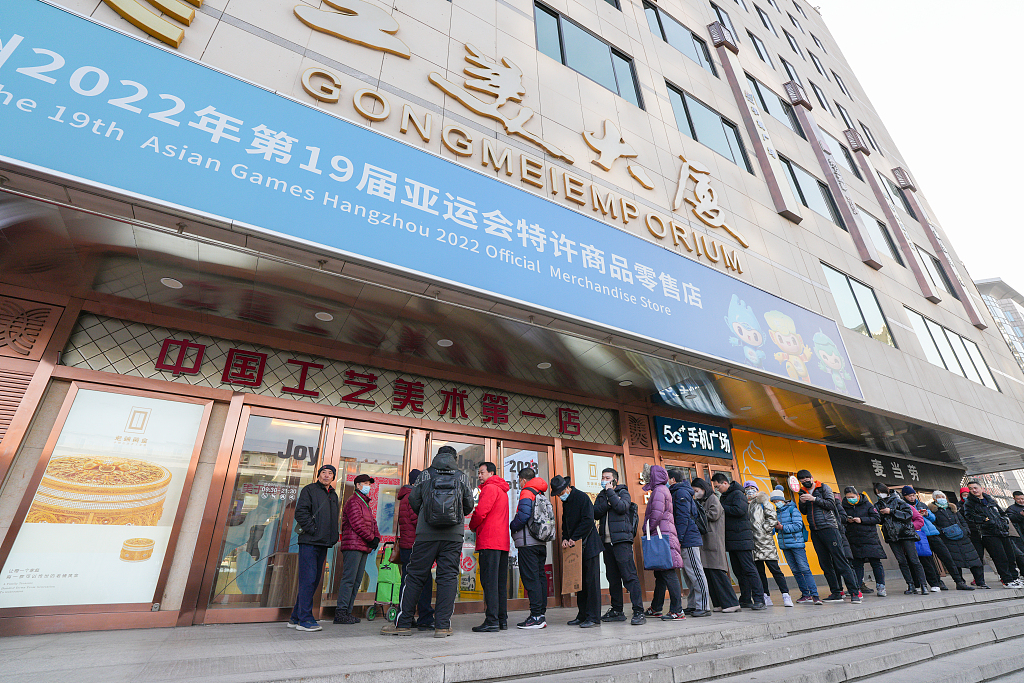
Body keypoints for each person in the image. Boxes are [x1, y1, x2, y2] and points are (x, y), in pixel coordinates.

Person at [382, 445, 475, 637]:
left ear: (437, 456)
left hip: (426, 534)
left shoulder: (425, 475)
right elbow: (468, 506)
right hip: (453, 536)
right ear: (454, 459)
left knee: (415, 576)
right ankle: (442, 626)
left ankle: (403, 624)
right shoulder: (462, 477)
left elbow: (413, 501)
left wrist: (426, 516)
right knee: (448, 577)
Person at [288, 464, 340, 632]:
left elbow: (333, 519)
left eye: (330, 473)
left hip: (323, 543)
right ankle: (305, 619)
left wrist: (333, 536)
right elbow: (300, 513)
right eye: (323, 472)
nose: (326, 475)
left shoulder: (333, 495)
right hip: (309, 542)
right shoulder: (309, 490)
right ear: (319, 475)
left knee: (314, 580)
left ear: (333, 477)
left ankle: (295, 617)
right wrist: (313, 530)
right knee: (308, 580)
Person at [796, 469, 860, 603]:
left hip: (829, 528)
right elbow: (803, 511)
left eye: (807, 479)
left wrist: (814, 499)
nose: (805, 482)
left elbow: (831, 505)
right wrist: (802, 502)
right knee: (825, 563)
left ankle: (854, 592)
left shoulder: (823, 488)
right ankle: (836, 592)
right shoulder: (802, 491)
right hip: (815, 530)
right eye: (802, 480)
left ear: (811, 478)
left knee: (840, 561)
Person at [594, 468, 645, 625]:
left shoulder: (623, 492)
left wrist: (611, 494)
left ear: (615, 480)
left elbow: (622, 507)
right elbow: (595, 513)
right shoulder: (601, 495)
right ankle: (617, 610)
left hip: (621, 541)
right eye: (603, 477)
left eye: (607, 477)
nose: (604, 480)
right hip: (606, 543)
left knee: (629, 576)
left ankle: (638, 611)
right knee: (613, 578)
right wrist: (608, 502)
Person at [551, 475, 603, 628]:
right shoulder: (566, 502)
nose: (560, 496)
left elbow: (588, 520)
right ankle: (582, 615)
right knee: (579, 582)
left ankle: (593, 617)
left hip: (589, 546)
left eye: (561, 493)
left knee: (591, 583)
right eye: (558, 494)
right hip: (576, 547)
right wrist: (565, 538)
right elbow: (565, 523)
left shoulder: (582, 498)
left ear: (568, 487)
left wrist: (574, 537)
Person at [469, 462, 510, 632]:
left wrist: (472, 525)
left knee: (489, 582)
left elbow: (480, 512)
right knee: (500, 583)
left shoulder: (490, 488)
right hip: (502, 542)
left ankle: (492, 620)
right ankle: (501, 620)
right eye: (478, 473)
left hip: (489, 540)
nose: (479, 476)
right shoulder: (502, 490)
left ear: (491, 473)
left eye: (482, 472)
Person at [713, 473, 765, 610]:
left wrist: (721, 508)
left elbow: (739, 510)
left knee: (749, 569)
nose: (717, 489)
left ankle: (759, 599)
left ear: (725, 483)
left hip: (742, 538)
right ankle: (746, 599)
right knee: (739, 572)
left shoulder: (737, 494)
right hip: (732, 539)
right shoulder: (725, 496)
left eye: (718, 486)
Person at [335, 473, 381, 624]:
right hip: (353, 545)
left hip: (362, 546)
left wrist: (377, 537)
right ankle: (341, 612)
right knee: (349, 579)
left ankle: (347, 612)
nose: (368, 486)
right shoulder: (354, 502)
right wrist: (371, 538)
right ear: (358, 485)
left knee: (356, 581)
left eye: (369, 483)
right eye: (365, 483)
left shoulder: (364, 502)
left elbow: (372, 523)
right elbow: (357, 524)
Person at [962, 481, 1024, 588]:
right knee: (1000, 558)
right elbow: (969, 516)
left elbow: (1002, 513)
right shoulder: (969, 503)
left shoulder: (990, 500)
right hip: (988, 534)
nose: (973, 490)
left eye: (975, 487)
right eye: (971, 489)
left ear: (981, 488)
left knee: (1010, 556)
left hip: (1002, 531)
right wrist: (984, 520)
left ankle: (1015, 578)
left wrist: (1004, 521)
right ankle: (1007, 580)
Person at [691, 478, 740, 613]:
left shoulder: (712, 498)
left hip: (713, 540)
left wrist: (699, 514)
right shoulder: (702, 501)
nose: (695, 493)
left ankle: (731, 603)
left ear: (703, 489)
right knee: (709, 574)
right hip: (706, 541)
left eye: (697, 490)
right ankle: (718, 603)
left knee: (718, 573)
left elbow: (714, 514)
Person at [644, 465, 685, 620]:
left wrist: (646, 528)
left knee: (668, 572)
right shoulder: (662, 489)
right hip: (664, 534)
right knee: (661, 574)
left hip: (662, 535)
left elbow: (656, 514)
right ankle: (656, 607)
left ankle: (677, 610)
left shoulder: (659, 491)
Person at [510, 467, 549, 629]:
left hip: (528, 544)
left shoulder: (527, 492)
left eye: (519, 481)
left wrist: (513, 525)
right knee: (539, 578)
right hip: (540, 542)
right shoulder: (540, 493)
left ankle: (536, 617)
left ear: (523, 480)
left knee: (531, 579)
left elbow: (524, 515)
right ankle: (540, 614)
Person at [873, 483, 929, 596]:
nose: (880, 495)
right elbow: (879, 520)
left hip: (906, 533)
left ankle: (923, 585)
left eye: (881, 492)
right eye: (878, 493)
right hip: (891, 535)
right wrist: (879, 515)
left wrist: (891, 511)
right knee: (901, 561)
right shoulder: (878, 504)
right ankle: (910, 584)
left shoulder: (898, 501)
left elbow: (908, 515)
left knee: (914, 560)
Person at [668, 469, 710, 617]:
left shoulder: (681, 493)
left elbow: (682, 517)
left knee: (696, 573)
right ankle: (693, 605)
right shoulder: (679, 491)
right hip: (686, 538)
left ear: (673, 480)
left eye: (668, 479)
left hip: (688, 539)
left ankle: (703, 606)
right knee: (688, 574)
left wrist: (679, 538)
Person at [396, 469, 434, 630]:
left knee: (408, 581)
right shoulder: (412, 497)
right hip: (414, 546)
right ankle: (424, 617)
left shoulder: (406, 496)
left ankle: (406, 615)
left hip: (408, 545)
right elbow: (418, 520)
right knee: (423, 582)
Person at [745, 482, 792, 607]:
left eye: (752, 488)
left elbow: (772, 518)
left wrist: (763, 530)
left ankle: (785, 594)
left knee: (775, 569)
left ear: (757, 489)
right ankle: (766, 596)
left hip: (765, 542)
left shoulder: (763, 501)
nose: (750, 491)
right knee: (759, 572)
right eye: (747, 488)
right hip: (752, 543)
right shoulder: (745, 504)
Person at [929, 490, 987, 589]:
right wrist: (943, 532)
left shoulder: (953, 508)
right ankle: (960, 583)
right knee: (955, 562)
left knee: (974, 560)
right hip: (948, 540)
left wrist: (965, 530)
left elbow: (962, 520)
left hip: (963, 538)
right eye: (939, 497)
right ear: (934, 499)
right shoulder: (933, 511)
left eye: (943, 497)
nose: (941, 499)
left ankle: (980, 582)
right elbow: (933, 524)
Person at [774, 487, 819, 604]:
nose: (776, 503)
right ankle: (805, 594)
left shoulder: (792, 509)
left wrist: (782, 527)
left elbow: (798, 526)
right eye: (774, 502)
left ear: (782, 500)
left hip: (796, 543)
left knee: (804, 569)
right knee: (795, 571)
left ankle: (815, 595)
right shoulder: (776, 513)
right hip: (785, 545)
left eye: (777, 501)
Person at [841, 487, 887, 598]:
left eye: (852, 497)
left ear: (857, 495)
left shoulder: (867, 505)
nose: (850, 499)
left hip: (870, 538)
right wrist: (847, 520)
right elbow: (841, 519)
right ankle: (856, 588)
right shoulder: (844, 506)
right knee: (857, 564)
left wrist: (861, 520)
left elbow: (877, 518)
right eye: (848, 497)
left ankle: (881, 587)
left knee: (876, 563)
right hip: (854, 539)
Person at [903, 486, 951, 592]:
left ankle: (938, 582)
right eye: (909, 496)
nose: (912, 497)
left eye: (913, 495)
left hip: (930, 533)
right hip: (916, 535)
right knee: (919, 561)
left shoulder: (922, 504)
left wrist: (927, 514)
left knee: (938, 558)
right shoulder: (904, 506)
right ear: (904, 496)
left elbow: (933, 518)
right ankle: (920, 584)